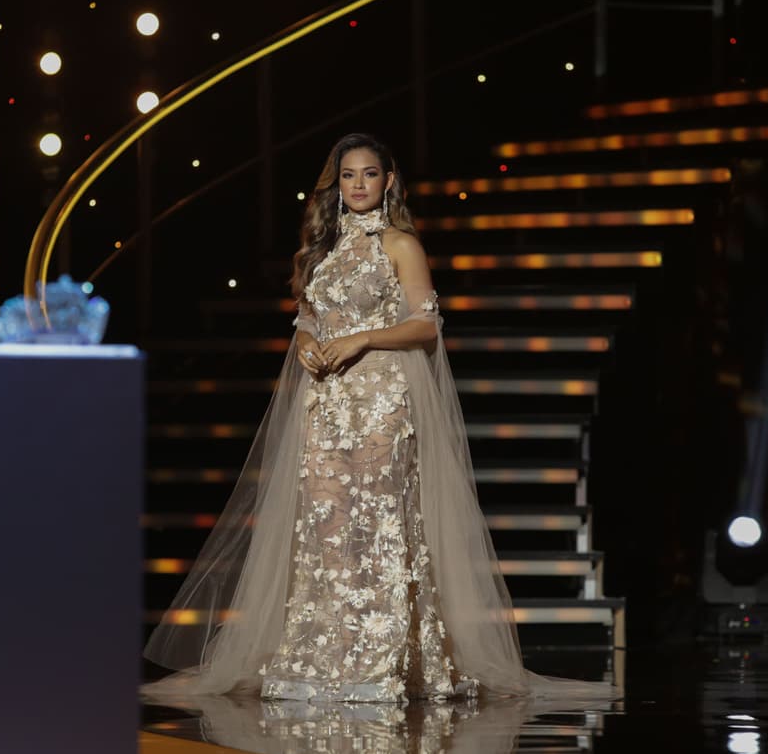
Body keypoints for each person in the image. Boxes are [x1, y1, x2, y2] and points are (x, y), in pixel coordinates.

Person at [143, 133, 615, 705]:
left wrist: (362, 338)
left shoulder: (400, 245)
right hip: (327, 402)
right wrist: (309, 347)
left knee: (381, 526)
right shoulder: (324, 249)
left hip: (383, 400)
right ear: (335, 184)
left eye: (369, 174)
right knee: (325, 528)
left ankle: (381, 657)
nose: (358, 185)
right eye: (348, 175)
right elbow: (308, 321)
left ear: (389, 181)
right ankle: (322, 654)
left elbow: (425, 325)